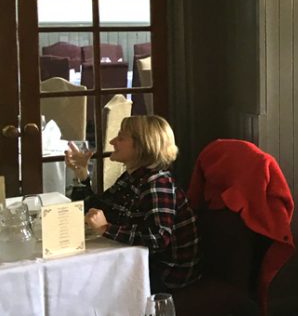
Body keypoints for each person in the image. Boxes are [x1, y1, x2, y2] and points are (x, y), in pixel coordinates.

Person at [66, 115, 200, 293]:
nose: (113, 141)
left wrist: (106, 228)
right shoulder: (132, 177)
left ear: (143, 145)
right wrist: (82, 173)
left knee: (81, 283)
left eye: (121, 138)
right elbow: (98, 209)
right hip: (139, 262)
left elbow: (159, 239)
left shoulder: (157, 184)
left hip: (164, 276)